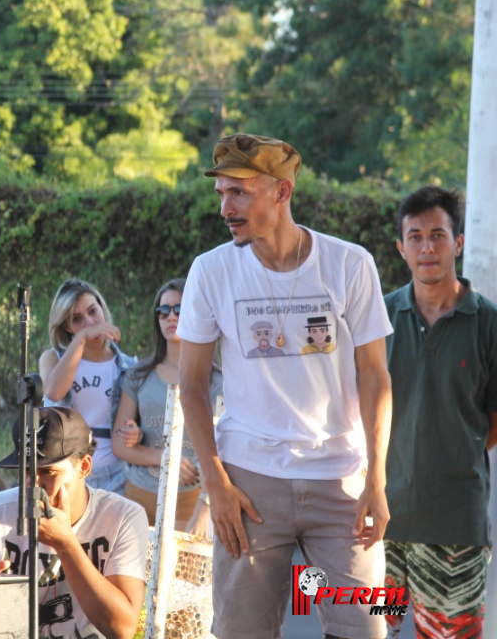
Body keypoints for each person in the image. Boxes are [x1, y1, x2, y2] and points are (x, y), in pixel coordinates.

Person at [177, 133, 393, 639]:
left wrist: (378, 481)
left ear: (282, 191)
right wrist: (216, 484)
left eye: (240, 193)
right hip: (249, 483)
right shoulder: (210, 271)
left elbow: (376, 376)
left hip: (341, 479)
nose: (226, 208)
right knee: (241, 632)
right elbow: (191, 383)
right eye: (222, 194)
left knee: (365, 629)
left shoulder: (349, 263)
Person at [382, 186, 497, 638]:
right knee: (365, 631)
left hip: (455, 525)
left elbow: (492, 420)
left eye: (438, 235)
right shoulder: (378, 317)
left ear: (459, 242)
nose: (427, 247)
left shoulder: (488, 323)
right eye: (415, 237)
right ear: (400, 247)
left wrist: (448, 449)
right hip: (377, 522)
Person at [0, 406, 148, 639]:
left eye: (48, 472)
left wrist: (65, 543)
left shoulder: (122, 517)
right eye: (25, 471)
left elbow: (122, 629)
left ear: (84, 467)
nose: (32, 485)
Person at [111, 278, 221, 534]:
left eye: (179, 310)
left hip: (190, 501)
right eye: (163, 311)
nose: (171, 317)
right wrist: (166, 460)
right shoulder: (137, 375)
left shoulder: (215, 380)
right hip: (138, 497)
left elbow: (222, 450)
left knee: (184, 574)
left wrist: (204, 507)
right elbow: (120, 445)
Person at [39, 279, 136, 496]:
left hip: (117, 475)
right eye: (77, 319)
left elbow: (141, 427)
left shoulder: (129, 367)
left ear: (102, 308)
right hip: (67, 473)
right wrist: (82, 339)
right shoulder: (52, 358)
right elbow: (53, 391)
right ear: (66, 326)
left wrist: (135, 432)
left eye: (93, 311)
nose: (90, 322)